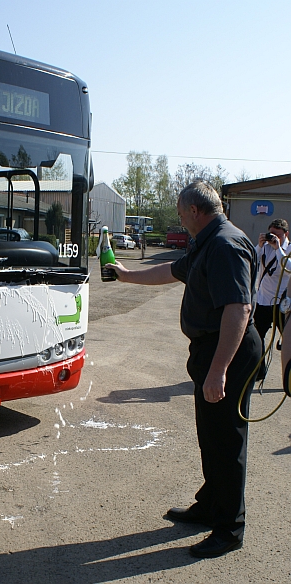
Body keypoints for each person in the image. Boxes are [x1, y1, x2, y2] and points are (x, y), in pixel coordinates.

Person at [106, 180, 261, 558]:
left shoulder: (224, 244)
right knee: (211, 436)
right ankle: (211, 506)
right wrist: (126, 275)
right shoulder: (208, 240)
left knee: (226, 442)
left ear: (194, 211)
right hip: (212, 352)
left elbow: (237, 309)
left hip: (228, 353)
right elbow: (174, 272)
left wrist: (219, 370)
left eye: (180, 212)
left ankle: (229, 528)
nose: (179, 218)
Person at [254, 219, 291, 380]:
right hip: (263, 301)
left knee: (288, 340)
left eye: (278, 235)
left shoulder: (288, 250)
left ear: (286, 234)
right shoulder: (265, 248)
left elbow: (288, 267)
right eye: (271, 234)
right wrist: (260, 245)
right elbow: (251, 261)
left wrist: (278, 249)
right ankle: (259, 371)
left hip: (282, 304)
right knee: (256, 338)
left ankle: (288, 375)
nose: (274, 238)